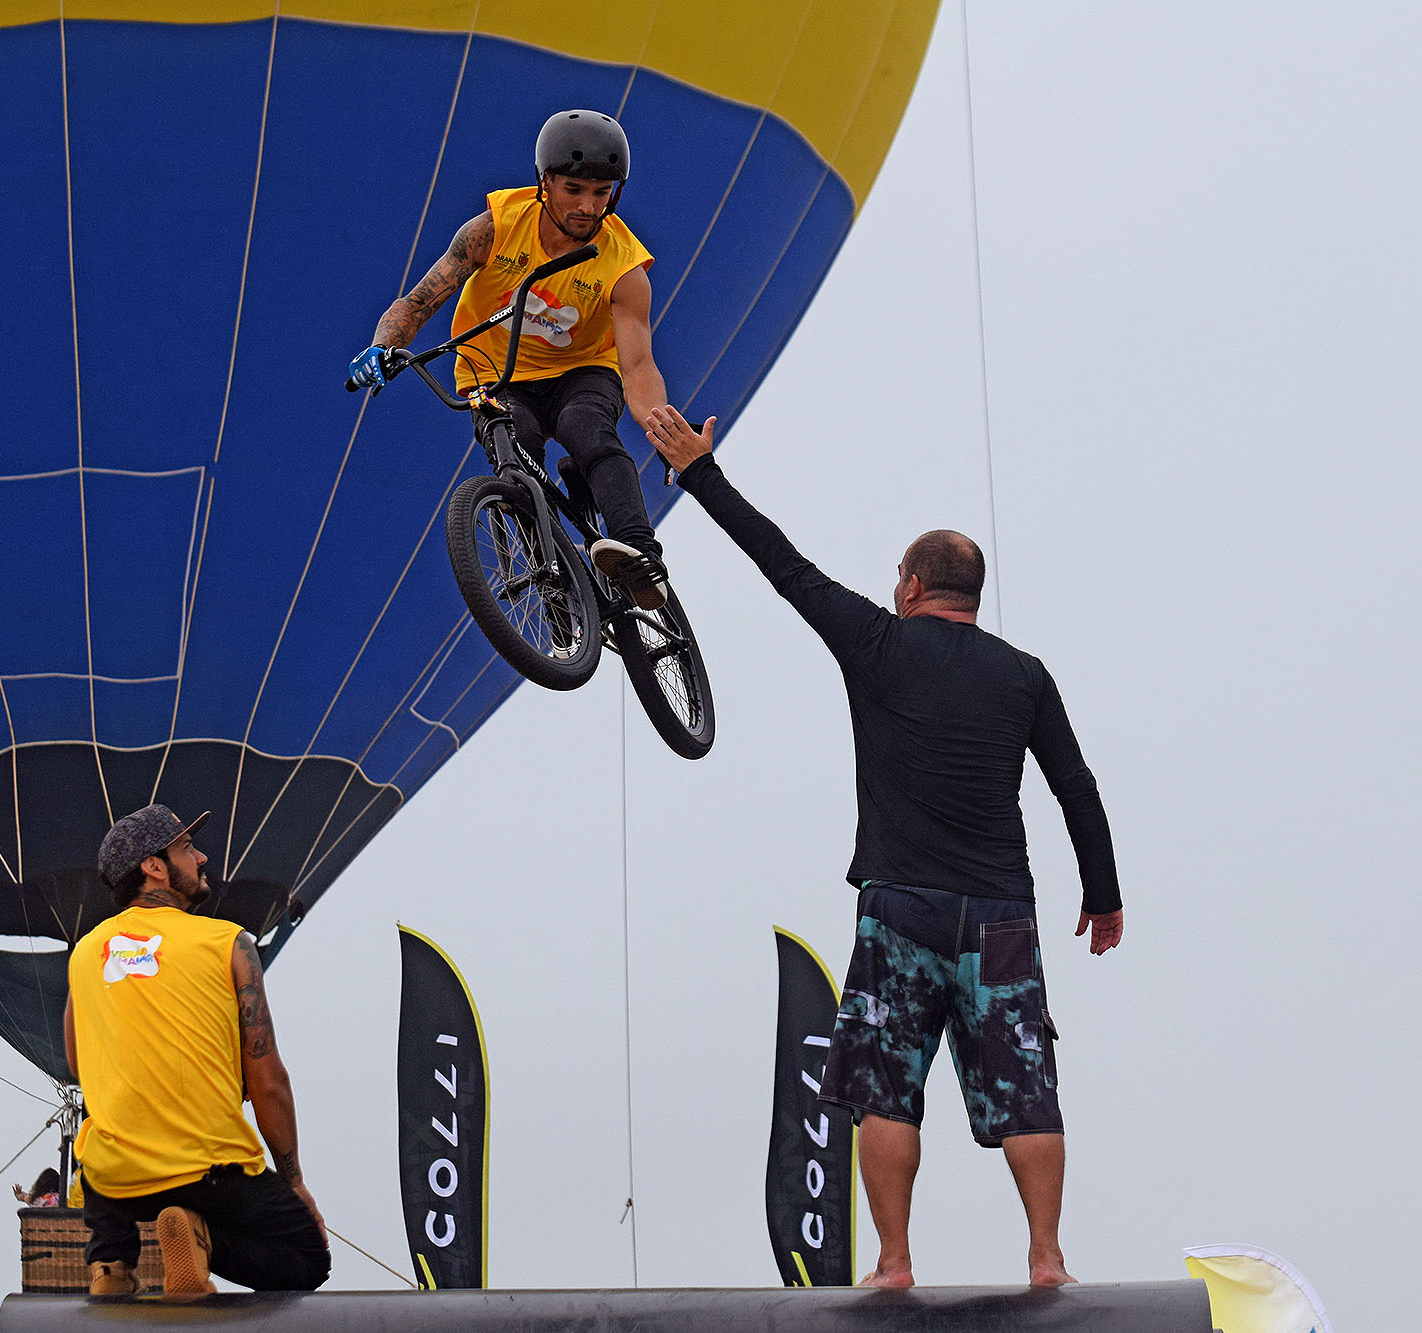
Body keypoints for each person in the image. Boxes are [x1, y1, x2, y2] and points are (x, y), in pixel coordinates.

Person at [646, 408, 1125, 1289]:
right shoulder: (1024, 674)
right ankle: (1047, 1256)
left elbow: (783, 566)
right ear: (970, 596)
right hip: (999, 917)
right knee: (1025, 1085)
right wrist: (1104, 893)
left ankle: (895, 1259)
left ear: (910, 584)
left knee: (885, 1089)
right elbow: (1076, 785)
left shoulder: (877, 640)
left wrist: (700, 473)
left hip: (902, 908)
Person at [348, 109, 681, 611]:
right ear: (544, 182)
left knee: (585, 425)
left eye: (602, 192)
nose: (589, 206)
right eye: (575, 189)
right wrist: (382, 345)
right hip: (494, 373)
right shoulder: (493, 229)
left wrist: (663, 429)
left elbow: (637, 368)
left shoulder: (624, 266)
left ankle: (639, 554)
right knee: (513, 443)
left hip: (582, 372)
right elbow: (419, 301)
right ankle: (554, 580)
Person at [62, 805, 330, 1296]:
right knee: (307, 1257)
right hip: (208, 1172)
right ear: (154, 867)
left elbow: (81, 1067)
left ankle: (111, 1265)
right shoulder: (229, 943)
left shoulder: (85, 952)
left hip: (118, 1180)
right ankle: (200, 1237)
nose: (202, 857)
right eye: (188, 849)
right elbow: (269, 1084)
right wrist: (294, 1182)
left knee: (99, 1131)